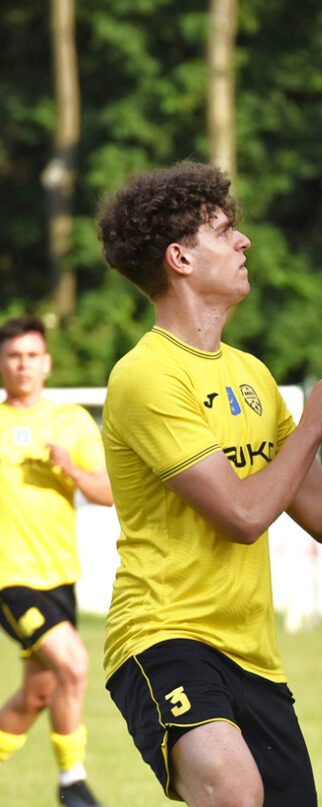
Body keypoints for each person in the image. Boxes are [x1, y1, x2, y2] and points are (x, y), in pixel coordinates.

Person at [94, 161, 322, 806]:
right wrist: (314, 424)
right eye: (224, 231)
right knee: (235, 793)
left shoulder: (252, 374)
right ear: (180, 258)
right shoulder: (147, 376)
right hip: (164, 637)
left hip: (254, 657)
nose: (244, 241)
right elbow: (243, 516)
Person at [0, 316, 112, 807]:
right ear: (1, 363)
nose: (23, 365)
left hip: (60, 578)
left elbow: (108, 492)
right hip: (10, 579)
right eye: (13, 356)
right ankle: (72, 784)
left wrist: (72, 471)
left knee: (38, 696)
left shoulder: (71, 421)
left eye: (31, 355)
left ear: (46, 362)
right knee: (74, 664)